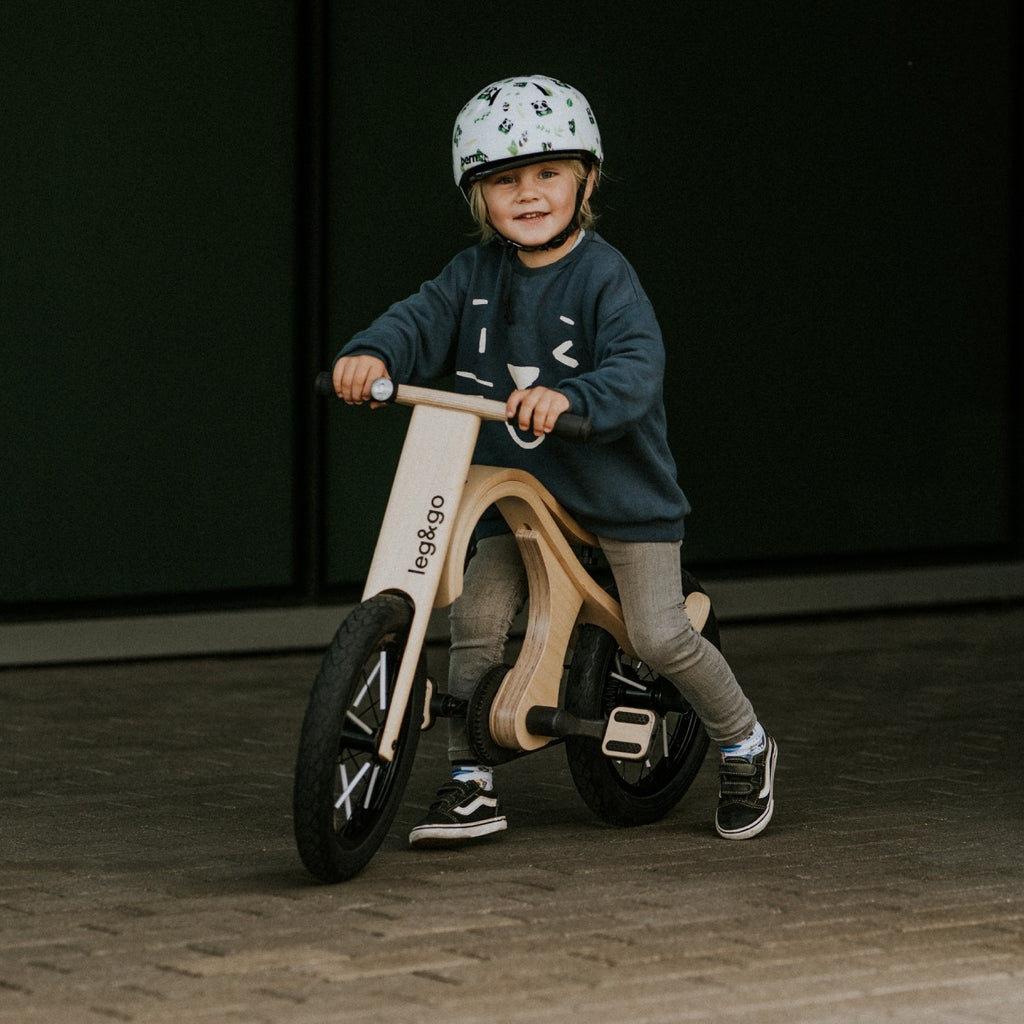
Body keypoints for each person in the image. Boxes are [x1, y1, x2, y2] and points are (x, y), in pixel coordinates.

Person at [332, 75, 777, 845]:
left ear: (586, 180)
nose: (529, 194)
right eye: (505, 180)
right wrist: (371, 353)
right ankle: (470, 781)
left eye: (548, 175)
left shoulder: (605, 277)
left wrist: (574, 399)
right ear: (478, 195)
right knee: (474, 616)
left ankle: (745, 742)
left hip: (620, 497)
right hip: (520, 495)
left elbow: (637, 367)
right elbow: (419, 320)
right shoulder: (471, 278)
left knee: (661, 634)